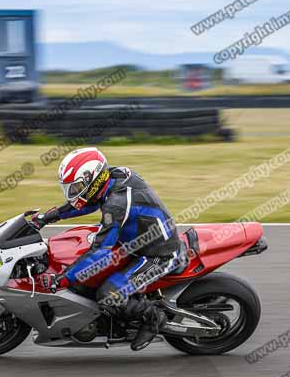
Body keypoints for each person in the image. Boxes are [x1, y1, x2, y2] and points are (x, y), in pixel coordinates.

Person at [31, 147, 187, 351]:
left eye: (77, 187)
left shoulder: (116, 205)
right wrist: (47, 217)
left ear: (93, 179)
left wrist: (63, 278)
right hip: (134, 242)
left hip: (158, 253)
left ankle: (154, 318)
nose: (73, 192)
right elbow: (88, 202)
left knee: (109, 295)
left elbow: (100, 251)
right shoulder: (111, 177)